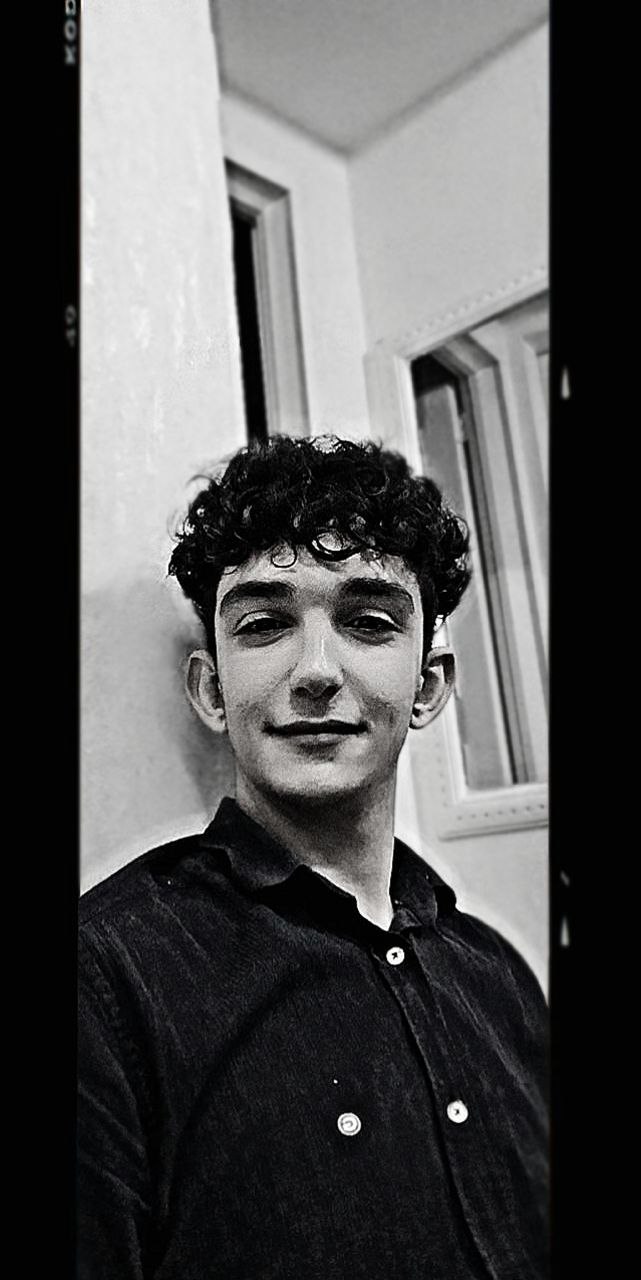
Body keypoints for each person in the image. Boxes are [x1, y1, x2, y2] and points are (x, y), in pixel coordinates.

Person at [77, 434, 548, 1280]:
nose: (316, 671)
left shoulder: (501, 978)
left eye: (368, 622)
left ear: (428, 686)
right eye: (264, 624)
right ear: (212, 690)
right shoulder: (105, 976)